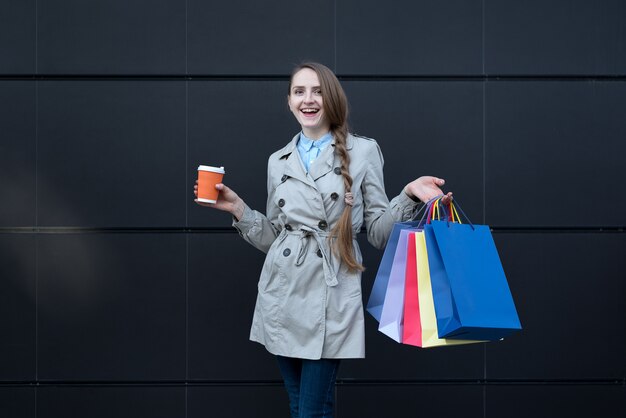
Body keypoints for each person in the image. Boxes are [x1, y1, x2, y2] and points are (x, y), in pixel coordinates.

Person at [194, 62, 452, 418]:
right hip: (281, 292)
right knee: (298, 403)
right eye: (299, 91)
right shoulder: (277, 160)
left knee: (313, 410)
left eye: (317, 91)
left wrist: (407, 195)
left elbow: (378, 233)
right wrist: (239, 208)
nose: (308, 100)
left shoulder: (363, 151)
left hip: (331, 293)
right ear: (288, 101)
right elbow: (278, 240)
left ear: (331, 98)